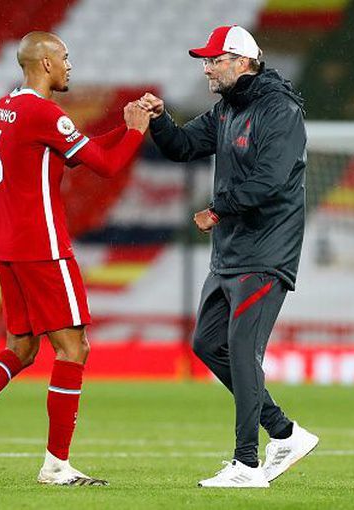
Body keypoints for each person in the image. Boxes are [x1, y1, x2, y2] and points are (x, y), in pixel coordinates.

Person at [0, 31, 150, 486]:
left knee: (21, 348)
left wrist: (121, 127)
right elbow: (106, 167)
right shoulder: (44, 111)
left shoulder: (5, 107)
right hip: (44, 247)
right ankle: (56, 465)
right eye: (66, 58)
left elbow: (69, 155)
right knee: (74, 348)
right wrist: (136, 132)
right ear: (46, 64)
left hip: (7, 247)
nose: (71, 66)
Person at [138, 25, 319, 488]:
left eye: (214, 60)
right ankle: (284, 432)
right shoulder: (227, 111)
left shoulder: (280, 110)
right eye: (205, 60)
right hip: (232, 254)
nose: (206, 67)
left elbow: (272, 179)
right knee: (207, 343)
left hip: (267, 251)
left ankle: (246, 464)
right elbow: (181, 147)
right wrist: (159, 119)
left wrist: (217, 210)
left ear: (241, 62)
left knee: (241, 349)